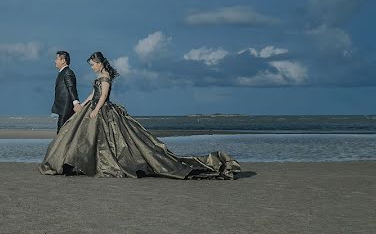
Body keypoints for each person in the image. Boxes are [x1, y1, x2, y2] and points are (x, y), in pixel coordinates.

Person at [39, 51, 240, 179]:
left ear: (100, 63)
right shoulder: (99, 76)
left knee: (108, 141)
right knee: (87, 138)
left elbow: (104, 96)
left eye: (92, 63)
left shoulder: (106, 77)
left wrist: (96, 110)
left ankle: (102, 164)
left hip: (104, 111)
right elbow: (94, 93)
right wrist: (84, 103)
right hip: (93, 107)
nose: (91, 66)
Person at [51, 51, 79, 133]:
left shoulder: (67, 72)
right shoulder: (62, 72)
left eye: (57, 59)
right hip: (62, 107)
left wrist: (76, 102)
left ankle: (60, 146)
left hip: (66, 107)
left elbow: (71, 88)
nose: (55, 61)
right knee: (62, 130)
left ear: (63, 60)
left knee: (61, 131)